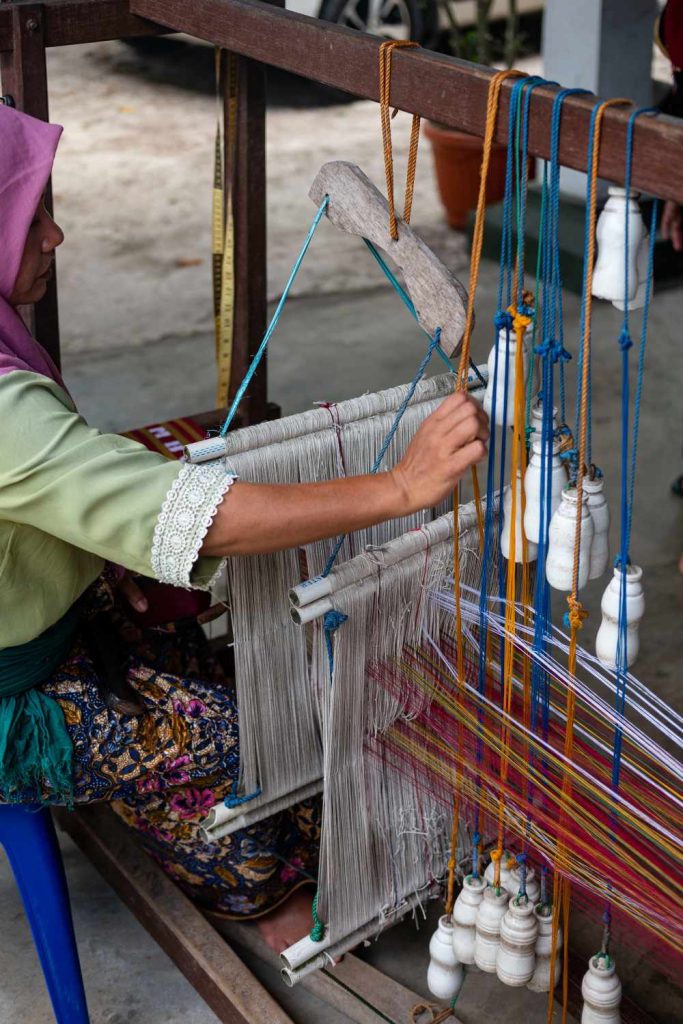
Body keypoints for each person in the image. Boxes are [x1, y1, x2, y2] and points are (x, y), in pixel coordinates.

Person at [0, 104, 488, 949]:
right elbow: (201, 522)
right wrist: (400, 486)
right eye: (31, 212)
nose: (56, 235)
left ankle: (286, 844)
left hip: (38, 624)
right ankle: (273, 908)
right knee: (232, 731)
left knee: (221, 655)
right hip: (10, 690)